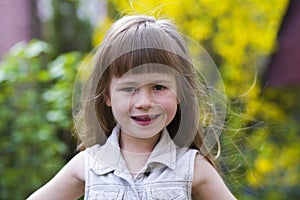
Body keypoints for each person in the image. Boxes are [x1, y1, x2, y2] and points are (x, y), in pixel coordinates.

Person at [27, 15, 236, 200]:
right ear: (107, 95)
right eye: (129, 88)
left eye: (158, 87)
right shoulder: (88, 166)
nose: (144, 102)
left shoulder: (192, 168)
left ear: (181, 92)